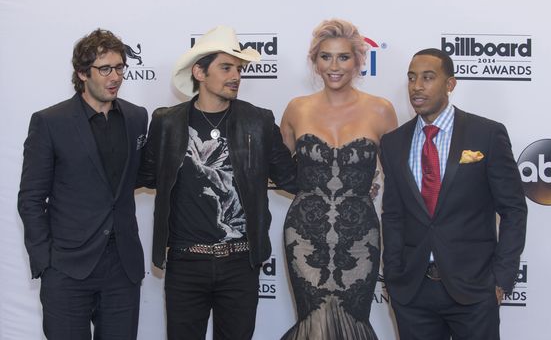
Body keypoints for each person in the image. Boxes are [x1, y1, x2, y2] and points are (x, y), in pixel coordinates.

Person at [138, 25, 296, 340]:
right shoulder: (166, 122)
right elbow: (144, 176)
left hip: (241, 262)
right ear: (200, 71)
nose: (235, 75)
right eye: (226, 67)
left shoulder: (258, 121)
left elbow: (291, 178)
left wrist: (343, 171)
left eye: (238, 68)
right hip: (185, 262)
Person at [380, 48, 527, 339]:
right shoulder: (393, 142)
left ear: (450, 84)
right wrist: (394, 275)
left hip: (474, 289)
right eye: (411, 78)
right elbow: (393, 214)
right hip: (413, 291)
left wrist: (501, 280)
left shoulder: (486, 134)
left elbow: (513, 210)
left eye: (427, 77)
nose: (417, 86)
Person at [17, 29, 148, 340]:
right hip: (67, 268)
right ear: (82, 72)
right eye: (105, 69)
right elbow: (31, 199)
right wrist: (45, 262)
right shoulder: (50, 122)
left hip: (122, 267)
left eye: (119, 68)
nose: (115, 76)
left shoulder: (137, 118)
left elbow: (139, 178)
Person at [280, 19, 397, 339]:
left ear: (359, 61)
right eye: (326, 57)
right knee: (314, 322)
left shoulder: (381, 110)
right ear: (315, 61)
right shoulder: (296, 109)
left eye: (343, 57)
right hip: (304, 234)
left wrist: (365, 186)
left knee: (352, 321)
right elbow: (277, 171)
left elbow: (398, 179)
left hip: (360, 237)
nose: (334, 66)